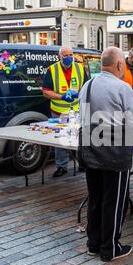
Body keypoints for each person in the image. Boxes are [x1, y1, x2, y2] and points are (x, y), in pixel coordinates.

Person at [79, 47, 133, 262]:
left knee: (95, 198)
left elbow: (83, 117)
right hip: (115, 151)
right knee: (114, 201)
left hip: (90, 149)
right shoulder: (122, 88)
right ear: (118, 65)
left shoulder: (87, 86)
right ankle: (110, 248)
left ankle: (93, 244)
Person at [42, 46, 89, 177]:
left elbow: (86, 87)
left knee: (80, 138)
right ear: (60, 57)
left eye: (70, 55)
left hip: (76, 111)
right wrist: (62, 96)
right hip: (59, 111)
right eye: (65, 55)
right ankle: (61, 166)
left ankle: (82, 163)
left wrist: (80, 96)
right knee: (61, 139)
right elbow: (46, 91)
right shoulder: (52, 69)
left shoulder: (80, 68)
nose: (68, 58)